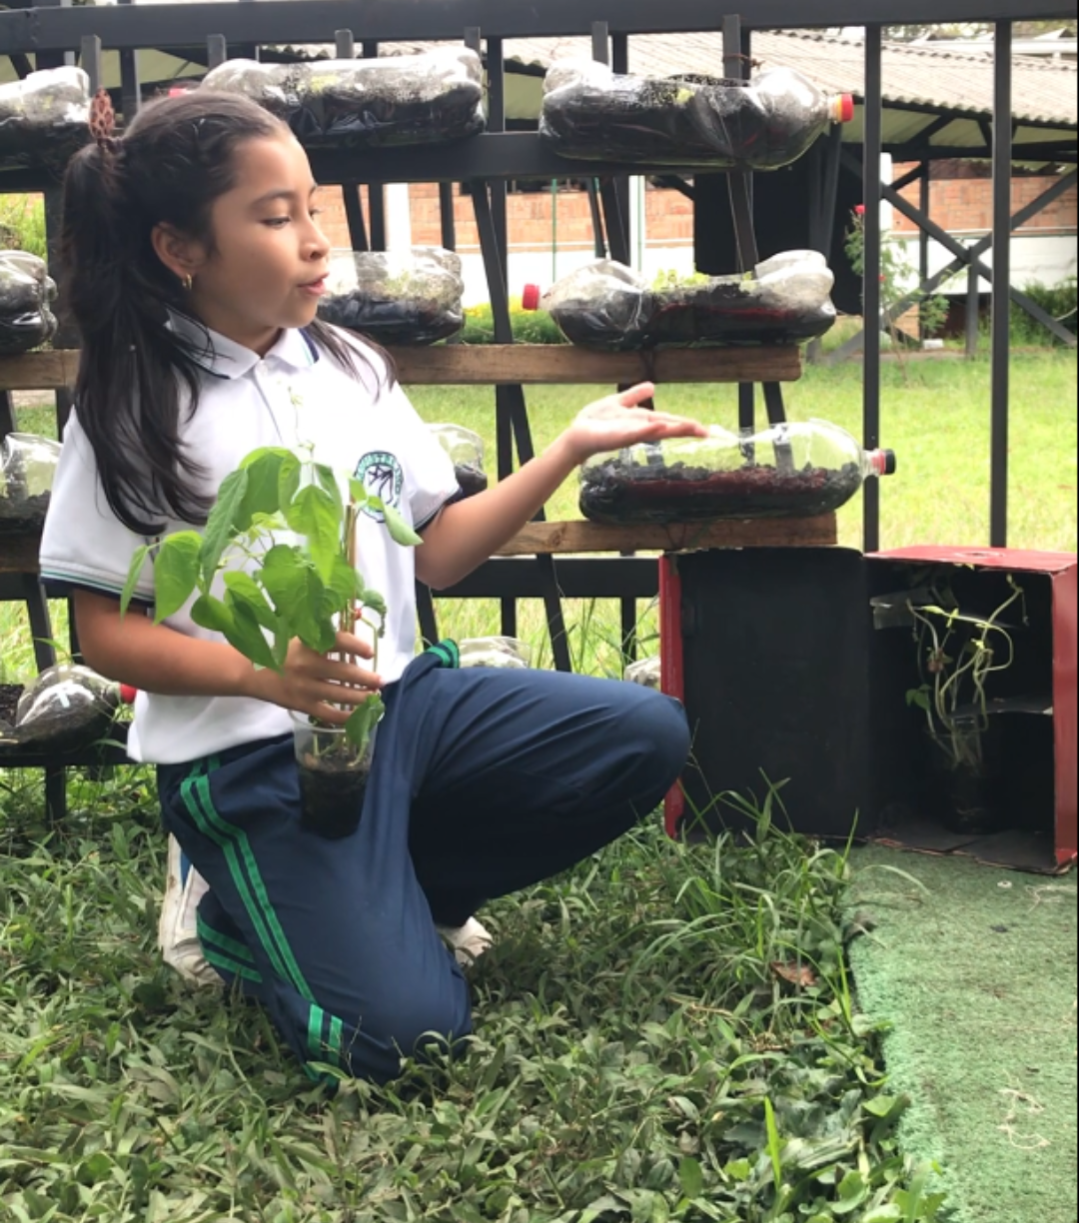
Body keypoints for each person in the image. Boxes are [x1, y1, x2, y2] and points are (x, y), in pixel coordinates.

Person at [40, 90, 703, 1085]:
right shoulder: (135, 409)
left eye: (313, 208)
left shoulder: (348, 367)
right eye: (274, 218)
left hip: (402, 709)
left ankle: (401, 889)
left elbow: (433, 551)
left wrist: (565, 446)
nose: (315, 244)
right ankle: (224, 913)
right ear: (181, 247)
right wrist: (267, 675)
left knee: (644, 734)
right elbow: (103, 633)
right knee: (399, 1038)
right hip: (252, 755)